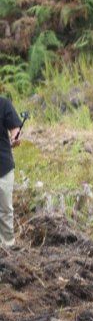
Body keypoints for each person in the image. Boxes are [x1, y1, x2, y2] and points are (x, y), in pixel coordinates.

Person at [0, 96, 22, 248]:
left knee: (6, 209)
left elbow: (15, 129)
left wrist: (15, 137)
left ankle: (8, 246)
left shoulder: (3, 104)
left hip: (4, 166)